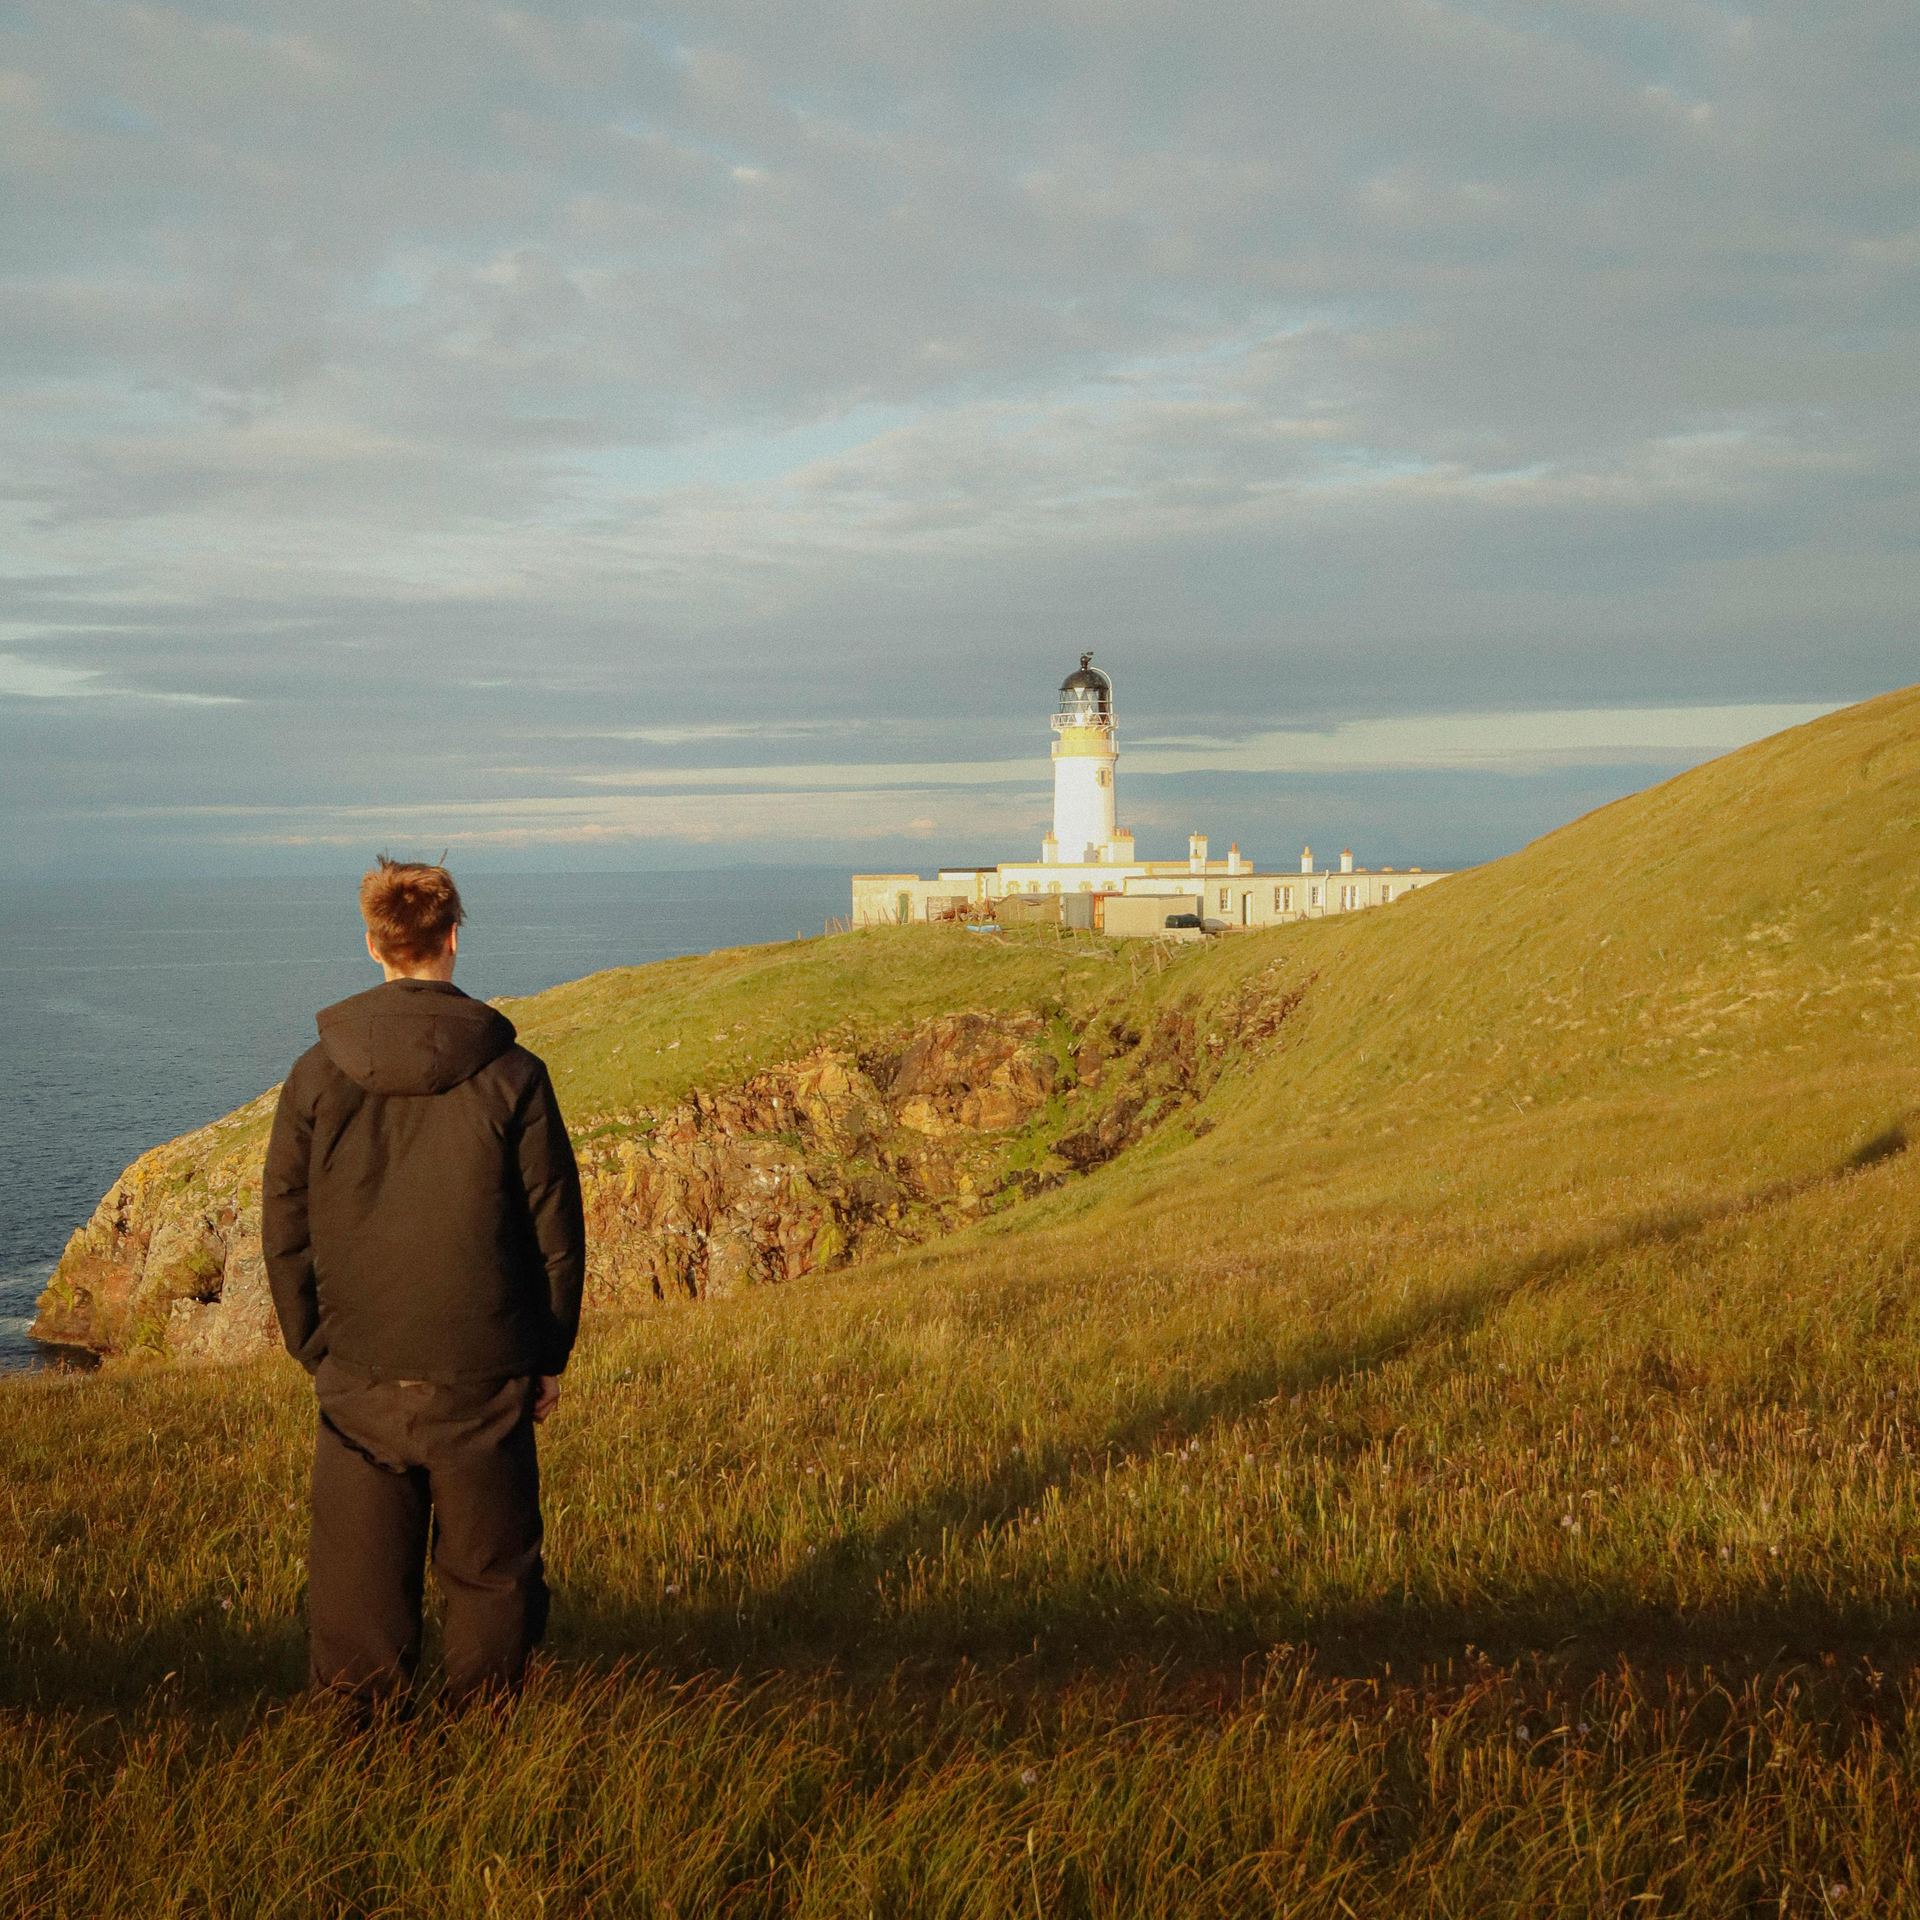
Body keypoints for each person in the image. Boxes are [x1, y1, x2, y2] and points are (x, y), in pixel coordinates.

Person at [262, 857, 585, 1710]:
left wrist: (314, 1347)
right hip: (485, 1364)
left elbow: (284, 1230)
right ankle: (488, 1738)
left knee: (357, 1582)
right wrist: (546, 1355)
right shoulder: (514, 1075)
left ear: (374, 943)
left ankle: (361, 1749)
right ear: (451, 938)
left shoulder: (315, 1075)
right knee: (491, 1576)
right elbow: (554, 1228)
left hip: (359, 1364)